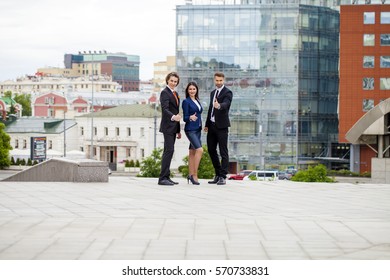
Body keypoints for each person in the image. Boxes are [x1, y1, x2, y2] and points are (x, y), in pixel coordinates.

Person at [204, 72, 233, 185]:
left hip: (222, 127)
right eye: (217, 80)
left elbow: (227, 104)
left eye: (221, 80)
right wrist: (206, 124)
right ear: (214, 80)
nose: (219, 82)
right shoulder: (212, 93)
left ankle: (223, 176)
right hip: (211, 126)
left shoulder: (228, 92)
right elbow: (210, 109)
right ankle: (217, 173)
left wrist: (219, 106)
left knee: (223, 151)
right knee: (211, 150)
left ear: (223, 80)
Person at [158, 72, 182, 186]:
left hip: (173, 127)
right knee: (169, 151)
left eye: (175, 81)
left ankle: (166, 176)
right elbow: (165, 109)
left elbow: (176, 111)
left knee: (167, 151)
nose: (173, 83)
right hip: (167, 126)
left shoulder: (175, 93)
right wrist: (173, 117)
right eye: (172, 81)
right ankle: (162, 178)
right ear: (167, 80)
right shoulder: (164, 93)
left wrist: (178, 130)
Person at [182, 81, 203, 185]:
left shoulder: (197, 101)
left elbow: (199, 113)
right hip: (190, 130)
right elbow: (185, 118)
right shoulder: (186, 101)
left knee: (192, 152)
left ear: (196, 90)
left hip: (198, 129)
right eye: (190, 89)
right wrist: (190, 117)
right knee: (200, 150)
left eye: (194, 89)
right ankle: (194, 175)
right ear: (187, 90)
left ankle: (190, 174)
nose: (192, 91)